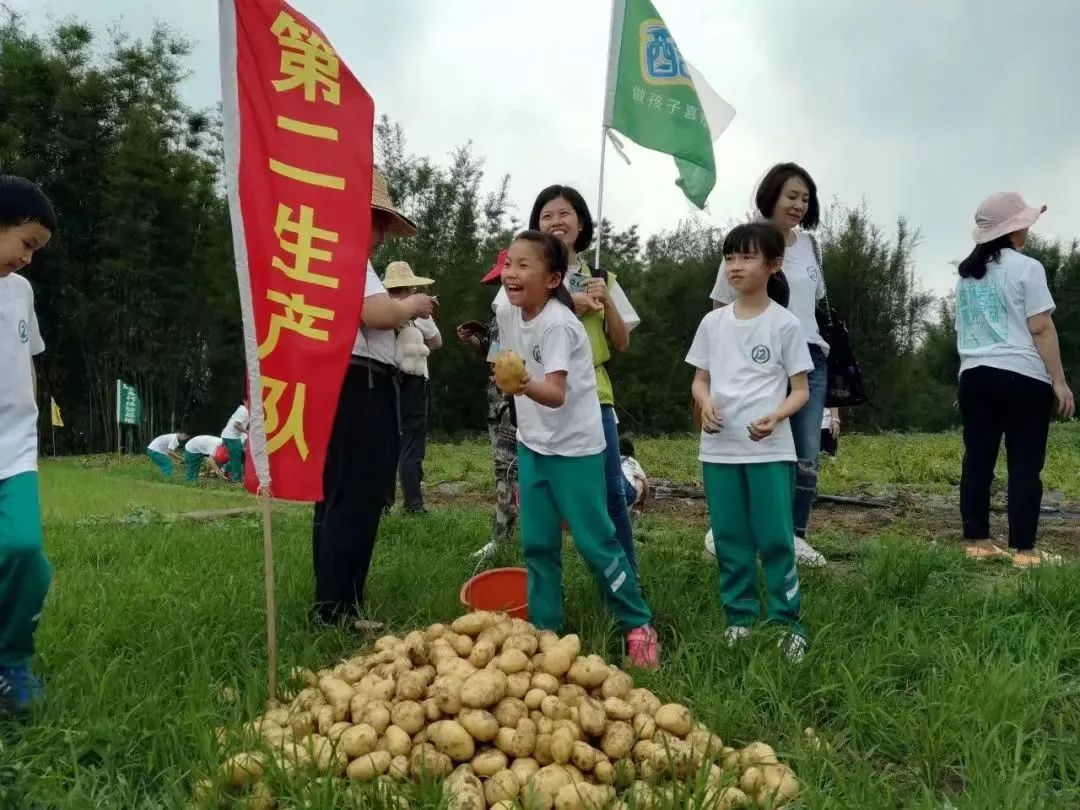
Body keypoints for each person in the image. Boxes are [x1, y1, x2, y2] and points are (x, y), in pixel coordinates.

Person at [495, 229, 659, 668]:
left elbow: (555, 393)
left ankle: (638, 624)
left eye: (523, 265)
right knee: (537, 544)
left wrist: (521, 382)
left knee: (595, 542)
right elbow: (502, 345)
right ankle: (545, 632)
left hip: (576, 449)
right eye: (508, 264)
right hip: (534, 446)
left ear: (553, 280)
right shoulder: (511, 309)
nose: (510, 273)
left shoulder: (560, 324)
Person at [495, 186, 642, 574]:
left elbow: (622, 342)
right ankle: (551, 580)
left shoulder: (601, 277)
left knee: (609, 493)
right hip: (540, 393)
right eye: (546, 216)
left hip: (594, 395)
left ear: (581, 223)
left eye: (565, 214)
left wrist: (606, 300)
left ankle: (626, 576)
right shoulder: (528, 275)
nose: (556, 222)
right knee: (542, 499)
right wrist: (565, 301)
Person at [312, 170, 435, 630]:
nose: (383, 234)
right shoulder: (348, 254)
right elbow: (374, 313)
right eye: (378, 221)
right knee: (358, 496)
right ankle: (339, 609)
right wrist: (412, 307)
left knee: (337, 495)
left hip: (342, 385)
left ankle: (334, 599)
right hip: (361, 385)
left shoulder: (325, 256)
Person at [689, 223, 813, 662]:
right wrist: (704, 404)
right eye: (729, 258)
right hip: (719, 449)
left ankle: (786, 621)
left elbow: (801, 389)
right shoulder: (712, 323)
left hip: (769, 450)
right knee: (729, 537)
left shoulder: (785, 325)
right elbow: (700, 380)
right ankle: (739, 618)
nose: (735, 267)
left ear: (773, 265)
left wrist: (777, 415)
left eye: (746, 258)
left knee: (776, 538)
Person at [710, 163, 829, 568]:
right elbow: (721, 306)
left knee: (806, 452)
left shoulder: (810, 245)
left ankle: (793, 537)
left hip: (808, 355)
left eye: (805, 199)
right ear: (772, 196)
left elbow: (815, 307)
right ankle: (738, 530)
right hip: (756, 358)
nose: (798, 205)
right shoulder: (747, 243)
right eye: (791, 196)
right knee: (753, 443)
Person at [955, 192, 1074, 568]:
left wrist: (968, 379)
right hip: (1022, 376)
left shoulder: (965, 276)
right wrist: (1059, 380)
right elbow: (1040, 328)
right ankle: (1025, 551)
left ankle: (977, 542)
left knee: (977, 462)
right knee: (1024, 465)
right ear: (1014, 228)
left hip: (974, 376)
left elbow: (966, 331)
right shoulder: (1027, 268)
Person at [0, 176, 56, 714]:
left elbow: (28, 359)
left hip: (13, 447)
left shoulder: (20, 292)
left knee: (23, 551)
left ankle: (10, 661)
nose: (28, 259)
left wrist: (31, 420)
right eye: (26, 244)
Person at [460, 251, 519, 559]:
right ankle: (502, 537)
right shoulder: (500, 313)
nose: (503, 284)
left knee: (516, 470)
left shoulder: (531, 311)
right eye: (498, 280)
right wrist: (476, 343)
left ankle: (515, 537)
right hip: (497, 402)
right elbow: (495, 356)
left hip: (519, 402)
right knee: (504, 469)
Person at [382, 261, 441, 515]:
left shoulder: (380, 308)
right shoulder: (415, 310)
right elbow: (437, 342)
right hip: (412, 381)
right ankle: (413, 503)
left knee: (385, 442)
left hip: (384, 379)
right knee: (411, 444)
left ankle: (382, 503)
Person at [220, 401, 249, 483]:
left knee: (235, 457)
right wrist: (247, 432)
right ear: (245, 401)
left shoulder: (242, 409)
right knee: (237, 459)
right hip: (231, 437)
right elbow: (236, 425)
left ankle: (225, 472)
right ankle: (236, 480)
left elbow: (231, 420)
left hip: (229, 436)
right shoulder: (244, 410)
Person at [618, 437, 648, 510]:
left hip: (608, 499)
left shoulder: (609, 460)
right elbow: (646, 485)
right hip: (625, 498)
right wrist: (642, 501)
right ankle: (629, 508)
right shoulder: (631, 462)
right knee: (640, 481)